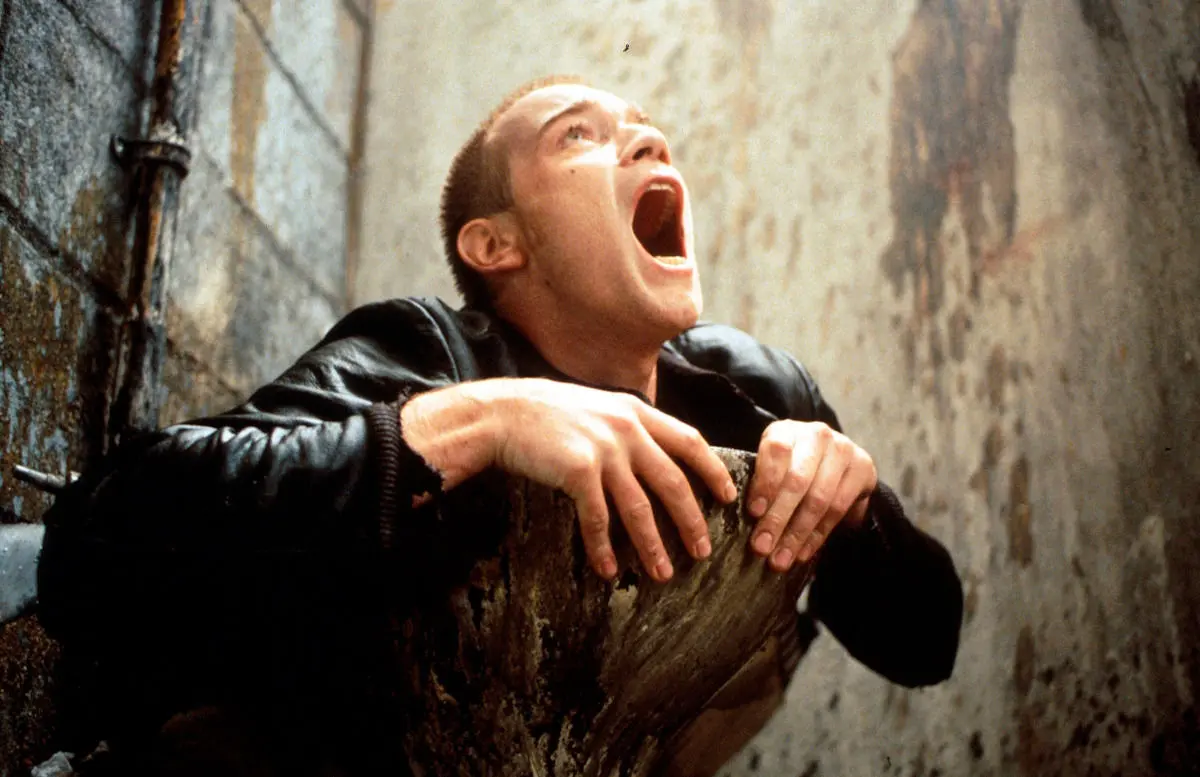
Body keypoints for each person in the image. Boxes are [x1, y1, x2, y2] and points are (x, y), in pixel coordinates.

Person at [36, 75, 963, 774]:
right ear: (495, 244)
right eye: (579, 136)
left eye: (644, 127)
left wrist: (857, 509)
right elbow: (98, 540)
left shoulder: (754, 394)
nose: (648, 140)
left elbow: (927, 645)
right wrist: (480, 422)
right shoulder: (422, 351)